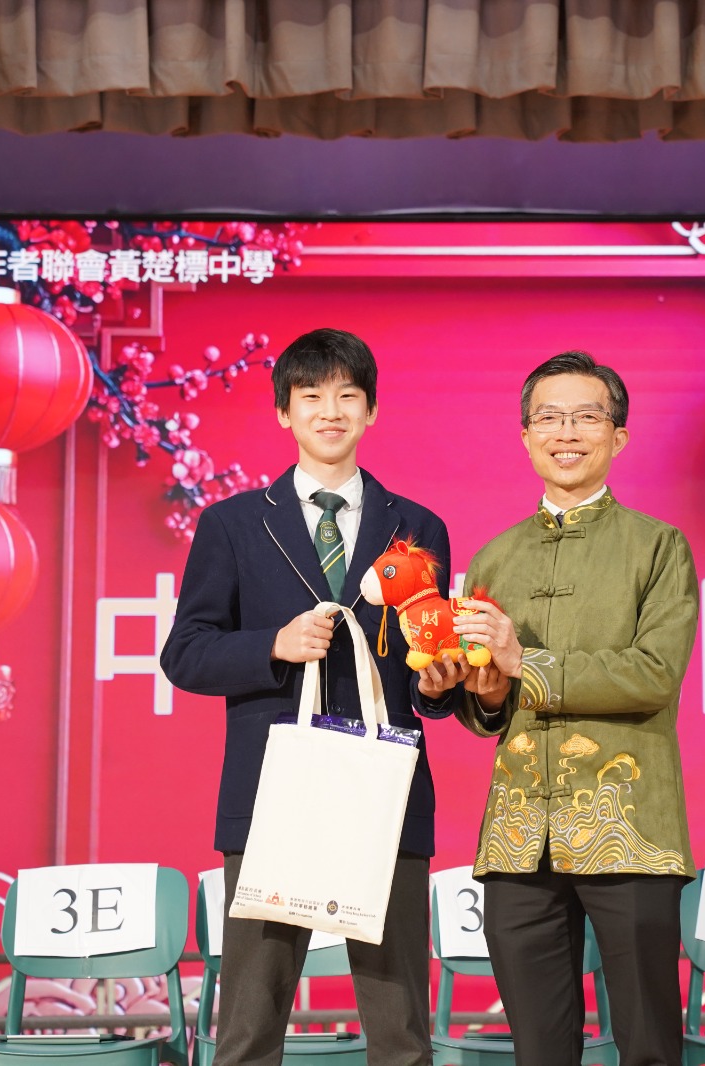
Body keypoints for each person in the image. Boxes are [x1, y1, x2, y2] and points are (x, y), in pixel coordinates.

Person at [161, 328, 465, 1066]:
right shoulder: (233, 524)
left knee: (400, 1030)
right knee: (250, 1025)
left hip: (384, 788)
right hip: (274, 790)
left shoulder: (417, 527)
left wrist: (437, 685)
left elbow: (427, 660)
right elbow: (186, 652)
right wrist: (272, 644)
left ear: (371, 411)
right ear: (283, 413)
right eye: (311, 397)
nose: (331, 411)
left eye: (347, 396)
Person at [450, 350, 700, 1066]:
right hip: (518, 833)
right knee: (537, 1048)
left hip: (630, 829)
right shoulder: (494, 557)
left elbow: (654, 674)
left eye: (587, 417)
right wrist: (481, 691)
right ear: (525, 435)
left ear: (618, 436)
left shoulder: (658, 547)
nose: (567, 433)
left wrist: (522, 664)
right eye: (549, 418)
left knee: (648, 1045)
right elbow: (489, 703)